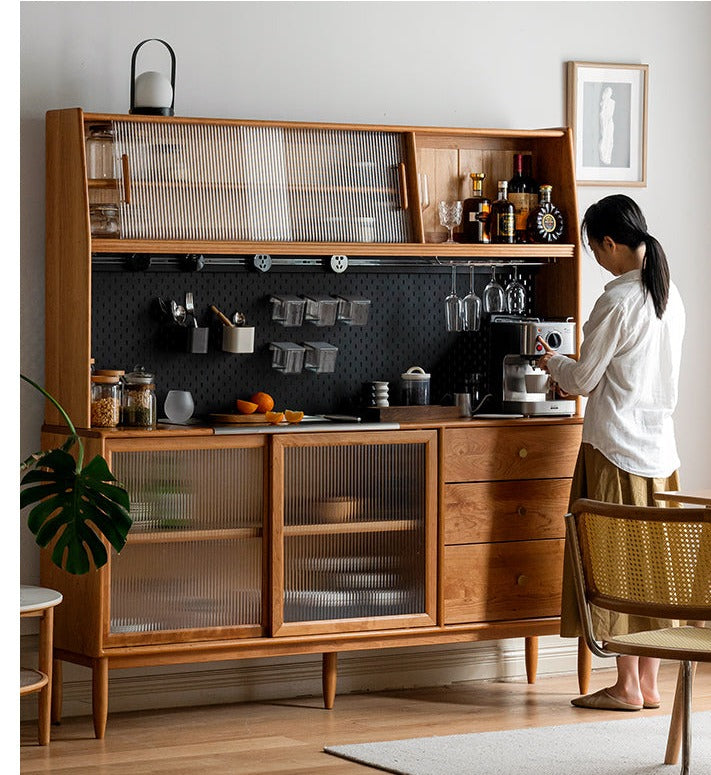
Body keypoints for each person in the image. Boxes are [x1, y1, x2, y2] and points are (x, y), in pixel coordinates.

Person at [536, 194, 685, 712]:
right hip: (660, 454)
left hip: (614, 450)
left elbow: (582, 379)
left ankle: (624, 687)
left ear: (610, 243)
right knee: (656, 570)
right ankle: (648, 685)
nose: (596, 259)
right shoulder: (668, 295)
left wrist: (552, 361)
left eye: (594, 250)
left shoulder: (617, 302)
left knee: (615, 564)